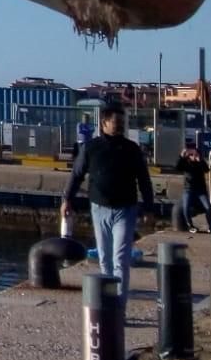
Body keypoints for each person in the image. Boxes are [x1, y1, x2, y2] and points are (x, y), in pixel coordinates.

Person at [63, 101, 154, 298]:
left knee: (120, 258)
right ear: (104, 123)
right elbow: (76, 174)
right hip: (99, 209)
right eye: (116, 122)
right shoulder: (90, 148)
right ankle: (108, 299)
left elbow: (144, 179)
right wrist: (67, 199)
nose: (120, 126)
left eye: (122, 122)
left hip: (125, 209)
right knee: (104, 258)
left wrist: (148, 207)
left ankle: (119, 305)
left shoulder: (132, 149)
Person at [174, 142, 211, 233]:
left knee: (208, 207)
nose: (192, 156)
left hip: (200, 190)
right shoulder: (185, 161)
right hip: (188, 189)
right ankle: (190, 226)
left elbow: (206, 170)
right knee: (186, 207)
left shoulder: (199, 160)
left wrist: (200, 160)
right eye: (190, 154)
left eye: (193, 153)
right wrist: (181, 156)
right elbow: (177, 168)